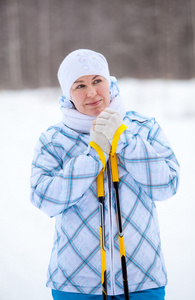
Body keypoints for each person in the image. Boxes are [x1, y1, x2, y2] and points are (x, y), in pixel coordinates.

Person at [30, 49, 180, 300]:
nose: (91, 92)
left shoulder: (144, 128)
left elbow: (167, 185)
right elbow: (45, 199)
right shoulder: (54, 140)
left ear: (109, 83)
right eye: (79, 85)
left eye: (97, 81)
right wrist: (93, 156)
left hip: (142, 278)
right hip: (75, 283)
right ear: (68, 94)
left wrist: (124, 140)